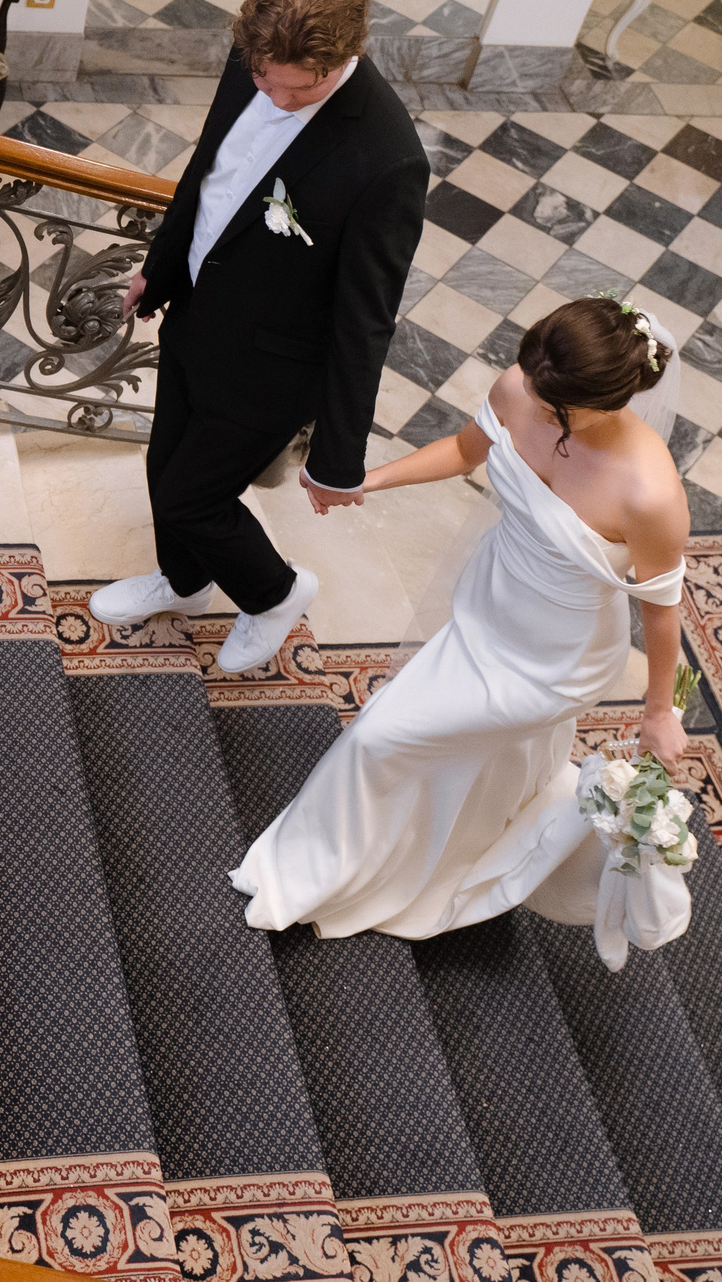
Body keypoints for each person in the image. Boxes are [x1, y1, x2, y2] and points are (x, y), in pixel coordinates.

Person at [228, 296, 692, 942]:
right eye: (530, 382)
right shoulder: (523, 386)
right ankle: (449, 838)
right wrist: (368, 481)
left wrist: (658, 711)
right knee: (466, 751)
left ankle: (319, 872)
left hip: (555, 659)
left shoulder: (650, 494)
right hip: (490, 602)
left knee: (380, 737)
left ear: (609, 401)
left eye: (555, 405)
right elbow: (465, 449)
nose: (530, 401)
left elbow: (662, 611)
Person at [93, 0, 431, 674]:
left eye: (290, 88)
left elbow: (365, 319)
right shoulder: (254, 56)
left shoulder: (387, 159)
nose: (269, 93)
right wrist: (158, 267)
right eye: (260, 77)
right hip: (195, 313)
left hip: (273, 369)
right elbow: (209, 177)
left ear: (341, 57)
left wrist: (338, 460)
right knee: (163, 465)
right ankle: (183, 586)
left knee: (192, 496)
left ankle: (275, 593)